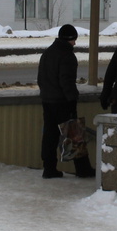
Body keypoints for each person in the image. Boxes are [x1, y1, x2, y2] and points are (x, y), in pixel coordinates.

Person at [37, 23, 96, 179]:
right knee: (74, 134)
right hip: (63, 101)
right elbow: (67, 81)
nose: (75, 43)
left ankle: (49, 168)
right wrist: (72, 100)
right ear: (69, 39)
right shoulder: (67, 55)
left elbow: (41, 78)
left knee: (50, 135)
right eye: (74, 40)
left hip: (47, 100)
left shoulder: (48, 53)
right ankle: (83, 169)